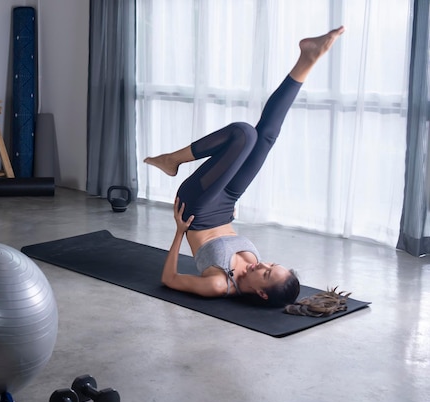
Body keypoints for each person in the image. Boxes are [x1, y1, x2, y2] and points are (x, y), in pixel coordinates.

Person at [144, 26, 345, 308]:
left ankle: (172, 160)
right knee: (265, 136)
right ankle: (307, 59)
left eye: (265, 273)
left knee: (243, 134)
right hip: (226, 204)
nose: (262, 265)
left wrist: (178, 231)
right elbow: (229, 238)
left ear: (261, 293)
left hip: (196, 210)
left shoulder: (219, 284)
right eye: (270, 265)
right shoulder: (257, 268)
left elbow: (170, 280)